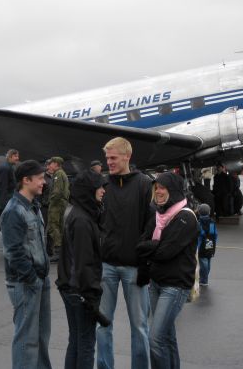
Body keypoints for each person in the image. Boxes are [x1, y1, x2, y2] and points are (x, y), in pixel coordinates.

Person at [96, 137, 153, 369]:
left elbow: (151, 226)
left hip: (134, 267)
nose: (108, 162)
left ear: (126, 157)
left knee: (139, 326)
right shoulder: (103, 185)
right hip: (106, 265)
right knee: (103, 324)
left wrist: (145, 263)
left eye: (113, 158)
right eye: (107, 158)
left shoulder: (144, 184)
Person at [136, 172, 198, 369]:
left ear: (174, 190)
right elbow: (142, 243)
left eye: (163, 187)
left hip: (175, 286)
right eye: (157, 188)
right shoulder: (158, 215)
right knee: (167, 338)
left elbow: (165, 252)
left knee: (155, 339)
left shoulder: (186, 218)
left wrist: (151, 247)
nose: (159, 191)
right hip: (155, 283)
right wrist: (153, 246)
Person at [0, 160, 51, 369]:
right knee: (26, 340)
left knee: (41, 336)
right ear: (26, 180)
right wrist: (32, 278)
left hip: (39, 279)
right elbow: (13, 252)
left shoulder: (33, 207)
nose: (44, 182)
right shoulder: (14, 211)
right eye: (40, 179)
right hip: (25, 283)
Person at [56, 170, 107, 369]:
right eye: (99, 187)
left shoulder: (77, 212)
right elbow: (83, 262)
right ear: (89, 190)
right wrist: (90, 297)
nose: (103, 191)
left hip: (70, 288)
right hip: (80, 292)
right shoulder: (83, 220)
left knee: (76, 341)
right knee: (86, 344)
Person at [47, 156, 70, 263]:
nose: (50, 165)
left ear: (56, 164)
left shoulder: (58, 174)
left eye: (51, 163)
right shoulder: (62, 174)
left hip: (56, 204)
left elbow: (57, 192)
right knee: (59, 226)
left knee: (53, 226)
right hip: (61, 203)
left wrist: (50, 201)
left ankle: (58, 251)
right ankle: (61, 251)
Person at [197, 203, 217, 286]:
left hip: (201, 245)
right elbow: (215, 234)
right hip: (210, 244)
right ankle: (205, 277)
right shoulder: (212, 222)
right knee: (208, 260)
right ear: (209, 212)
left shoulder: (198, 223)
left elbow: (198, 236)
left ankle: (203, 280)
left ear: (199, 212)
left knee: (203, 262)